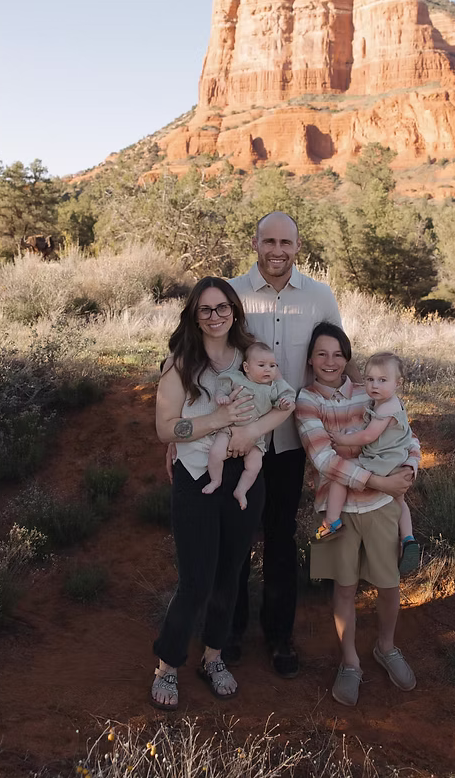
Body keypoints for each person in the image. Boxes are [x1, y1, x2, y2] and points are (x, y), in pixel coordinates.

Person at [151, 277, 293, 711]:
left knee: (230, 574)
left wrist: (249, 431)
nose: (215, 316)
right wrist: (218, 419)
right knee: (196, 580)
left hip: (243, 479)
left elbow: (280, 404)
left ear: (235, 309)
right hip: (197, 478)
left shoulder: (253, 357)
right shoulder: (181, 365)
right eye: (205, 310)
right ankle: (167, 665)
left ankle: (213, 657)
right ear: (194, 316)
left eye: (222, 307)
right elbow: (164, 429)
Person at [226, 211, 355, 677]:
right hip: (237, 438)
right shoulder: (231, 294)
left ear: (298, 246)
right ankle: (229, 630)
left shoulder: (319, 296)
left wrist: (372, 411)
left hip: (294, 439)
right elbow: (198, 358)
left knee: (281, 537)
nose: (277, 250)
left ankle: (280, 636)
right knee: (235, 538)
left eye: (286, 242)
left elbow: (337, 356)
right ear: (255, 242)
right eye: (269, 241)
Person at [295, 323, 420, 707]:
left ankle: (386, 646)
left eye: (337, 354)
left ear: (347, 357)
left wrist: (409, 470)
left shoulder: (372, 390)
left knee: (388, 583)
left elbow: (406, 436)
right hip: (337, 507)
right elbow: (324, 460)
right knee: (344, 588)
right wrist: (381, 482)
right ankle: (349, 662)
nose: (330, 362)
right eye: (321, 354)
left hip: (380, 508)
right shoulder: (306, 401)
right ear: (310, 360)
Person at [314, 351, 421, 575]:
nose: (374, 385)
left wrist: (342, 439)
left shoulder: (386, 407)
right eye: (370, 379)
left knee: (340, 476)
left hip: (383, 460)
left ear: (398, 383)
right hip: (395, 458)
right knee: (399, 499)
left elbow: (367, 437)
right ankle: (409, 538)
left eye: (382, 380)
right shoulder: (388, 402)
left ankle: (331, 521)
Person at [204, 342, 296, 509]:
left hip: (256, 437)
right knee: (216, 453)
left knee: (255, 466)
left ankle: (241, 490)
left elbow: (283, 404)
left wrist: (284, 404)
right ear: (246, 367)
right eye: (261, 365)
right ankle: (215, 480)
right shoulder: (236, 378)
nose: (268, 369)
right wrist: (222, 397)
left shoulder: (273, 388)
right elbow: (221, 389)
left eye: (272, 366)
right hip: (229, 428)